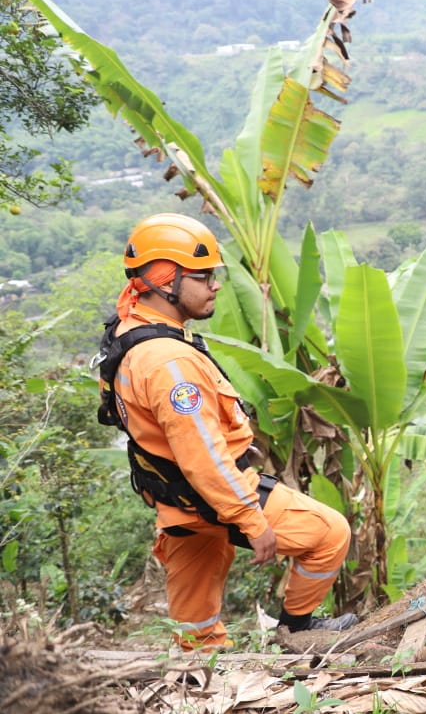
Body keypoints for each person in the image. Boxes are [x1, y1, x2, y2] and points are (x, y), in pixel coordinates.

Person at [100, 213, 357, 650]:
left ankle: (201, 676)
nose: (215, 285)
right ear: (165, 280)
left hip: (173, 500)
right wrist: (250, 519)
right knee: (330, 533)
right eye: (203, 277)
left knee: (197, 631)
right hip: (209, 495)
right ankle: (296, 631)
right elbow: (203, 454)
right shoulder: (169, 363)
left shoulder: (129, 332)